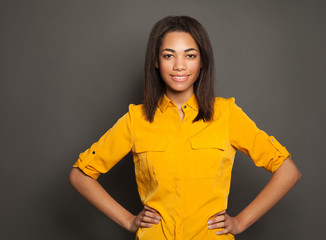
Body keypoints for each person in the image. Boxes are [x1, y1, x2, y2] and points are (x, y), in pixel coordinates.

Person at [69, 16, 301, 239]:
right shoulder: (136, 120)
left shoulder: (226, 114)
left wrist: (240, 222)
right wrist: (128, 220)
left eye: (190, 55)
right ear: (156, 62)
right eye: (169, 55)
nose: (179, 65)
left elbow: (288, 171)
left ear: (202, 62)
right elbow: (81, 175)